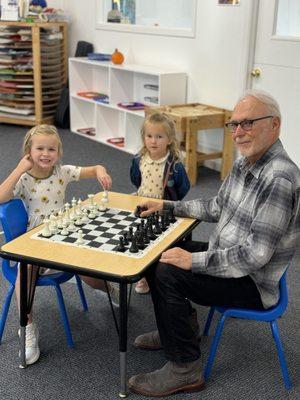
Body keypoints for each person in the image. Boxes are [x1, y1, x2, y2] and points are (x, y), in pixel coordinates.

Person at [128, 90, 300, 397]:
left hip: (251, 282)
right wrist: (167, 206)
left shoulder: (280, 178)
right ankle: (181, 331)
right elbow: (216, 206)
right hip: (227, 261)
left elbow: (254, 256)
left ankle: (185, 368)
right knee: (159, 254)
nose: (238, 132)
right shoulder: (246, 161)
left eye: (247, 123)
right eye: (233, 125)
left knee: (170, 272)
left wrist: (193, 261)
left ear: (274, 125)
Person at [0, 124, 117, 365]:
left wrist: (101, 171)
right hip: (34, 244)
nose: (45, 154)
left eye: (51, 149)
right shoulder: (23, 179)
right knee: (26, 268)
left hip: (64, 239)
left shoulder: (62, 172)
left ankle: (111, 289)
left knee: (89, 271)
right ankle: (28, 326)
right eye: (39, 148)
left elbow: (94, 168)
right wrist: (19, 167)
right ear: (28, 152)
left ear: (59, 152)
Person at [130, 112, 190, 294]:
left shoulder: (175, 165)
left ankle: (160, 275)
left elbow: (183, 187)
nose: (153, 141)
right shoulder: (138, 159)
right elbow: (135, 179)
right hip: (144, 205)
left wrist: (169, 203)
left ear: (169, 139)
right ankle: (143, 276)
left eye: (159, 136)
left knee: (160, 244)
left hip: (164, 209)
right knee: (140, 239)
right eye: (149, 136)